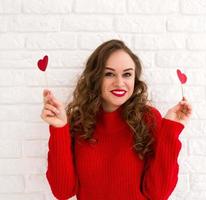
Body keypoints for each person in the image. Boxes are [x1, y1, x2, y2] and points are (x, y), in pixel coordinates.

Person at [41, 39, 192, 200]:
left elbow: (158, 194)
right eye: (109, 74)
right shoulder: (78, 122)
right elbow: (62, 191)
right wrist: (59, 129)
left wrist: (171, 130)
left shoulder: (148, 118)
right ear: (96, 77)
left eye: (127, 74)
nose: (119, 83)